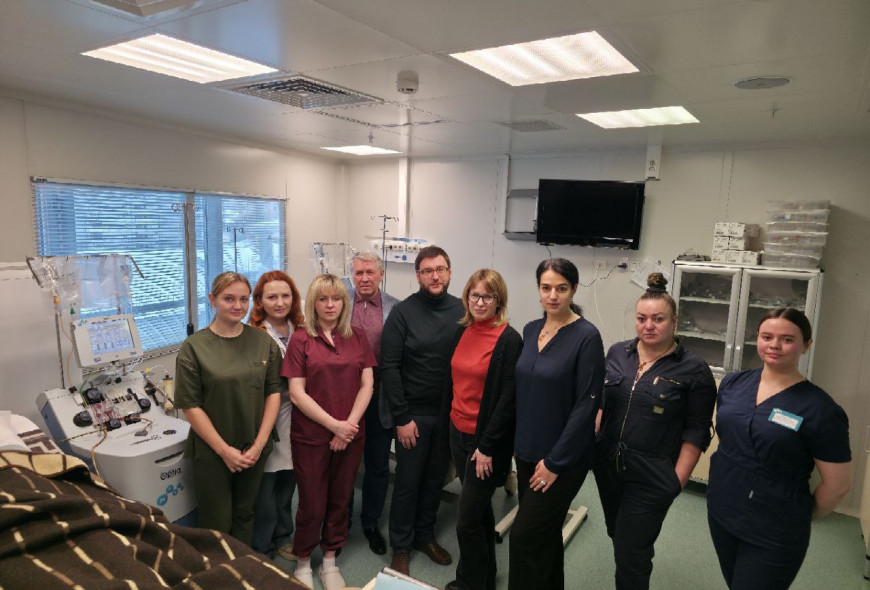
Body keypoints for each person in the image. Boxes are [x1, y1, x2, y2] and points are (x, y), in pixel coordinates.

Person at [707, 308, 852, 590]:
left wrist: (798, 516)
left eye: (787, 339)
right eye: (767, 337)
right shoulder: (733, 384)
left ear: (806, 345)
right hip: (723, 511)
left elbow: (838, 485)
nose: (774, 345)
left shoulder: (820, 409)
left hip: (775, 528)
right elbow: (730, 440)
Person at [592, 272, 716, 590]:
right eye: (641, 318)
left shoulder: (694, 370)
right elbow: (603, 403)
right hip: (608, 466)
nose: (648, 325)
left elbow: (697, 429)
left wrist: (676, 481)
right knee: (618, 534)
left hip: (652, 473)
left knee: (632, 550)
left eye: (658, 319)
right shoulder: (618, 353)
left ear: (674, 322)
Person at [508, 258, 605, 590]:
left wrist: (555, 462)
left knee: (524, 536)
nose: (553, 295)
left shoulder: (587, 337)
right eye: (546, 287)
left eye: (561, 288)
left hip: (561, 460)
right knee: (545, 535)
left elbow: (586, 406)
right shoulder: (530, 329)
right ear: (538, 289)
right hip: (527, 452)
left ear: (573, 290)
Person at [282, 274, 376, 590]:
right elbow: (297, 394)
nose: (330, 305)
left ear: (344, 303)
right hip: (311, 437)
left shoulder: (358, 336)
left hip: (351, 434)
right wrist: (335, 426)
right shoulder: (300, 340)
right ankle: (303, 560)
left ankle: (330, 560)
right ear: (313, 304)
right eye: (323, 299)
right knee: (311, 503)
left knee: (341, 498)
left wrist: (347, 427)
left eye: (336, 298)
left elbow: (367, 385)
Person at [175, 271, 282, 546]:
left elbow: (273, 392)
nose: (238, 306)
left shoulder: (263, 342)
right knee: (217, 520)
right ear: (212, 300)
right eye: (229, 299)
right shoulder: (194, 347)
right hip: (213, 449)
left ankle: (241, 566)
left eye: (244, 299)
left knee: (246, 513)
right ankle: (218, 570)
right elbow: (190, 405)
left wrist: (259, 445)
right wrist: (224, 451)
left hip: (254, 445)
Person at [381, 245, 464, 576]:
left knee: (434, 481)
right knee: (407, 483)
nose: (435, 276)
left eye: (440, 269)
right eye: (428, 270)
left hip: (447, 415)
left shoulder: (462, 311)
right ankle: (401, 547)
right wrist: (402, 418)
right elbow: (389, 367)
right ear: (418, 276)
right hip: (413, 416)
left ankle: (424, 537)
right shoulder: (402, 313)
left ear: (449, 272)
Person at [443, 269, 522, 590]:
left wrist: (487, 447)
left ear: (498, 300)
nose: (479, 302)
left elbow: (508, 401)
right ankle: (486, 578)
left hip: (485, 444)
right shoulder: (462, 331)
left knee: (466, 520)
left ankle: (469, 584)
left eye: (487, 296)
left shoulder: (509, 340)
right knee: (479, 513)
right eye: (474, 295)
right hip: (457, 433)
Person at [345, 252, 399, 555]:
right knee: (344, 464)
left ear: (381, 274)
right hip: (344, 399)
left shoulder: (396, 308)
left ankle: (370, 523)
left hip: (380, 399)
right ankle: (339, 522)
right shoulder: (338, 303)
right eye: (358, 273)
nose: (364, 278)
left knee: (377, 465)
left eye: (370, 272)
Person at [248, 270, 304, 560]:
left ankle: (283, 536)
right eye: (272, 297)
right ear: (260, 301)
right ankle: (262, 547)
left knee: (287, 484)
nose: (280, 302)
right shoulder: (253, 334)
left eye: (285, 296)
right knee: (265, 489)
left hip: (300, 416)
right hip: (267, 417)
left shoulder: (301, 328)